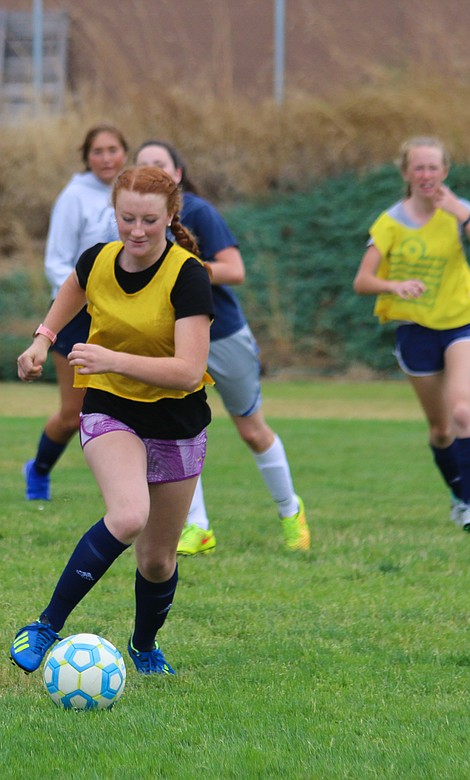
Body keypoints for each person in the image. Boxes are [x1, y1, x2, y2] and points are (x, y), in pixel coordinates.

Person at [10, 165, 214, 676]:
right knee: (127, 515)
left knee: (157, 560)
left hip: (177, 419)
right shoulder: (98, 258)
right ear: (114, 213)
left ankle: (144, 646)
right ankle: (44, 626)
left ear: (170, 216)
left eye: (149, 220)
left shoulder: (188, 275)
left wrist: (112, 359)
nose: (137, 231)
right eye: (127, 218)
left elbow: (189, 370)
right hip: (110, 405)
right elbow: (71, 292)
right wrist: (42, 339)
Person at [135, 140, 309, 555]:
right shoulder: (135, 223)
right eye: (142, 167)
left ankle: (290, 511)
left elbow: (236, 269)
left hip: (223, 333)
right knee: (173, 430)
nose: (152, 173)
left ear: (177, 174)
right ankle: (197, 527)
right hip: (168, 337)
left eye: (159, 165)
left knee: (251, 430)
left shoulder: (198, 213)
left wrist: (182, 269)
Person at [353, 136, 470, 534]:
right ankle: (458, 496)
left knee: (461, 409)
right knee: (440, 429)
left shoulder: (460, 213)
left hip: (462, 322)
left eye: (433, 167)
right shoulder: (390, 222)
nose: (426, 175)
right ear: (406, 173)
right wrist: (395, 286)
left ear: (445, 171)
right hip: (416, 331)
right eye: (418, 167)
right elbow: (363, 280)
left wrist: (462, 214)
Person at [22, 123, 128, 501]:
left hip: (124, 312)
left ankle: (132, 488)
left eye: (113, 149)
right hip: (77, 313)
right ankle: (38, 470)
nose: (106, 158)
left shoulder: (132, 193)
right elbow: (57, 263)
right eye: (97, 151)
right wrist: (87, 295)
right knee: (74, 412)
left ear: (125, 154)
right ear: (87, 158)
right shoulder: (75, 196)